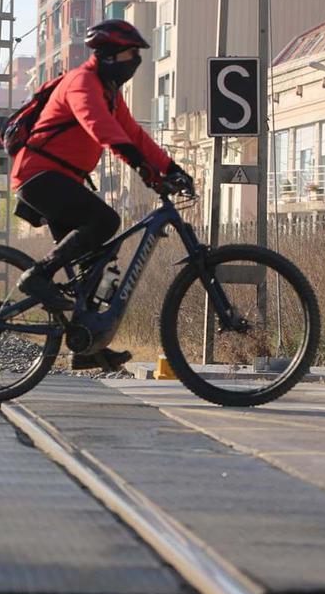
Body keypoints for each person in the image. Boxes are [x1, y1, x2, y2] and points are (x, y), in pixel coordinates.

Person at [10, 19, 192, 370]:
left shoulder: (109, 91)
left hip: (64, 179)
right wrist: (142, 168)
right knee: (106, 220)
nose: (135, 61)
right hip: (39, 176)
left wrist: (171, 169)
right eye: (130, 54)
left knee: (92, 265)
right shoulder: (82, 83)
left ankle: (86, 348)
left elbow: (134, 135)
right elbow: (104, 130)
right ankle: (36, 277)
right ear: (109, 56)